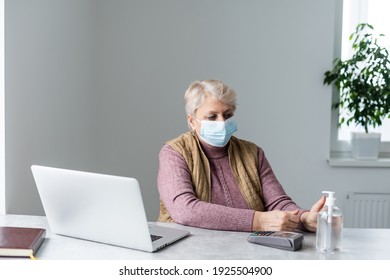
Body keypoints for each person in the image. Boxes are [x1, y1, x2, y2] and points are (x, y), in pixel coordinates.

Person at [157, 79, 325, 232]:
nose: (222, 122)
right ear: (192, 121)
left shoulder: (253, 153)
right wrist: (257, 220)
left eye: (227, 115)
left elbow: (277, 203)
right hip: (189, 252)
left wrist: (304, 218)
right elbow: (184, 210)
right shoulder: (174, 152)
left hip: (247, 251)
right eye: (212, 116)